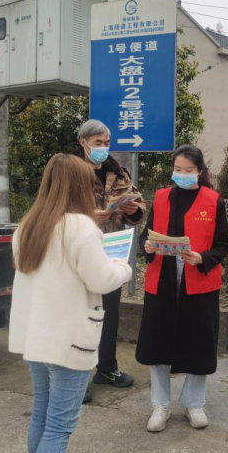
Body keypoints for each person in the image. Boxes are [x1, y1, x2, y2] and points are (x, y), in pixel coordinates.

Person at [8, 154, 133, 453]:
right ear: (79, 187)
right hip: (70, 339)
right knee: (59, 426)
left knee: (42, 416)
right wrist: (123, 266)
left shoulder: (28, 225)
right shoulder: (80, 228)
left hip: (37, 338)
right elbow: (102, 280)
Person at [136, 145, 228, 432]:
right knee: (159, 344)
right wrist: (148, 246)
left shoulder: (214, 201)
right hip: (162, 280)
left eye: (189, 170)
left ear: (199, 172)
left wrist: (203, 258)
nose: (183, 174)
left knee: (198, 343)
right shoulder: (162, 197)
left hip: (199, 281)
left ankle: (194, 403)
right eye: (178, 169)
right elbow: (145, 237)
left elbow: (223, 246)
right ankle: (159, 405)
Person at [74, 120, 146, 403]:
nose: (104, 148)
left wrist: (133, 209)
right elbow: (56, 209)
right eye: (98, 143)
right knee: (81, 314)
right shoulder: (71, 171)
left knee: (110, 313)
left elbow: (140, 205)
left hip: (112, 251)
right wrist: (89, 216)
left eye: (107, 142)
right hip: (79, 250)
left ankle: (107, 368)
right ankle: (77, 375)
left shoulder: (119, 172)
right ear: (83, 143)